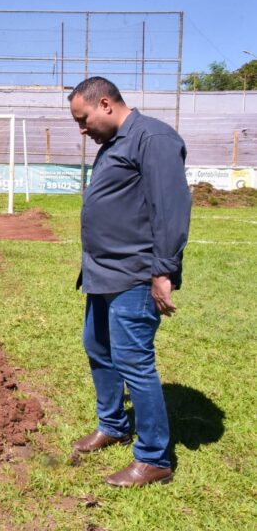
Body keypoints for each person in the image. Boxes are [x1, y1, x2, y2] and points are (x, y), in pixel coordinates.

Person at [67, 77, 191, 487]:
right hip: (103, 272)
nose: (82, 130)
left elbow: (170, 208)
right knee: (97, 347)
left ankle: (154, 457)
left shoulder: (152, 138)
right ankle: (114, 424)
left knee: (134, 362)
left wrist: (163, 271)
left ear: (105, 104)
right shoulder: (113, 144)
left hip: (134, 275)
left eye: (83, 120)